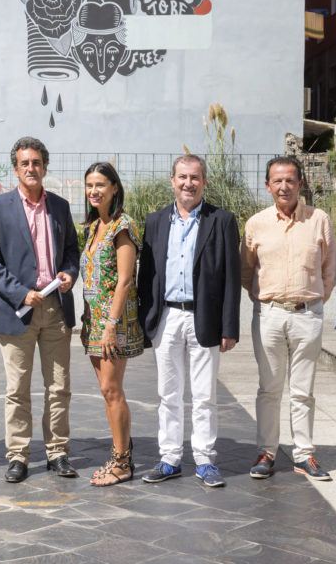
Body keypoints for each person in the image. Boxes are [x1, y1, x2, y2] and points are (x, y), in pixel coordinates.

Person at [137, 155, 241, 487]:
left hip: (204, 317)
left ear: (204, 182)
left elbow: (230, 278)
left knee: (204, 394)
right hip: (166, 315)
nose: (188, 183)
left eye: (195, 177)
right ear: (172, 180)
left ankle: (205, 459)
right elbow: (147, 275)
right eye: (182, 177)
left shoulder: (222, 221)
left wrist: (229, 327)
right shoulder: (155, 221)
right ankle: (169, 458)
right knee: (168, 393)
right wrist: (145, 321)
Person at [0, 136, 79, 483]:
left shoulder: (61, 207)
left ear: (45, 167)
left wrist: (69, 273)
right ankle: (18, 455)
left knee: (59, 386)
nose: (31, 168)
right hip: (16, 310)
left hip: (55, 308)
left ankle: (58, 452)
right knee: (17, 389)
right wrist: (21, 293)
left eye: (36, 162)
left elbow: (71, 252)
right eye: (25, 163)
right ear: (16, 169)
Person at [241, 156, 336, 481]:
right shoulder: (256, 224)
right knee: (269, 388)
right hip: (268, 314)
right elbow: (246, 269)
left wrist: (314, 301)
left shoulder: (318, 219)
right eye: (277, 181)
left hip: (307, 315)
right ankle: (267, 452)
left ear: (300, 184)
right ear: (268, 186)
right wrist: (263, 299)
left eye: (290, 180)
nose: (284, 186)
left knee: (303, 390)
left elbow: (330, 267)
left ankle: (304, 455)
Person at [80, 162, 144, 486]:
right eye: (90, 185)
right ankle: (120, 452)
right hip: (94, 321)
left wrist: (110, 325)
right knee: (107, 392)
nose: (94, 191)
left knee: (111, 389)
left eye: (101, 185)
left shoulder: (123, 225)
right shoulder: (94, 226)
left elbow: (123, 281)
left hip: (113, 323)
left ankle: (122, 463)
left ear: (114, 188)